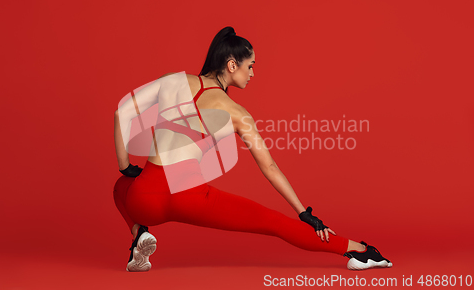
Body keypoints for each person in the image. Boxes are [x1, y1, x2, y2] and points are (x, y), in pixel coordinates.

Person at [113, 26, 392, 272]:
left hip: (144, 199)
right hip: (189, 197)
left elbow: (122, 114)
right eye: (251, 66)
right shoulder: (236, 112)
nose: (253, 73)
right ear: (232, 65)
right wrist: (302, 212)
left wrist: (126, 166)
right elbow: (269, 167)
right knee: (272, 222)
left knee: (120, 187)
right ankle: (358, 251)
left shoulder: (172, 81)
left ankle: (138, 234)